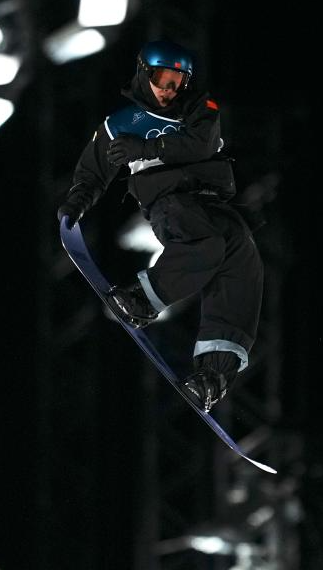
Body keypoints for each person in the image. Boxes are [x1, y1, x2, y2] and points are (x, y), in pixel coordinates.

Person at [57, 39, 264, 413]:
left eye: (176, 83)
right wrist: (77, 202)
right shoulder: (122, 124)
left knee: (241, 258)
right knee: (205, 245)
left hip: (212, 202)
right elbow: (93, 172)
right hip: (171, 201)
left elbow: (200, 145)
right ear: (143, 73)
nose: (167, 90)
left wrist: (146, 149)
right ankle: (140, 299)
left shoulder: (201, 108)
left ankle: (213, 374)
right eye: (159, 80)